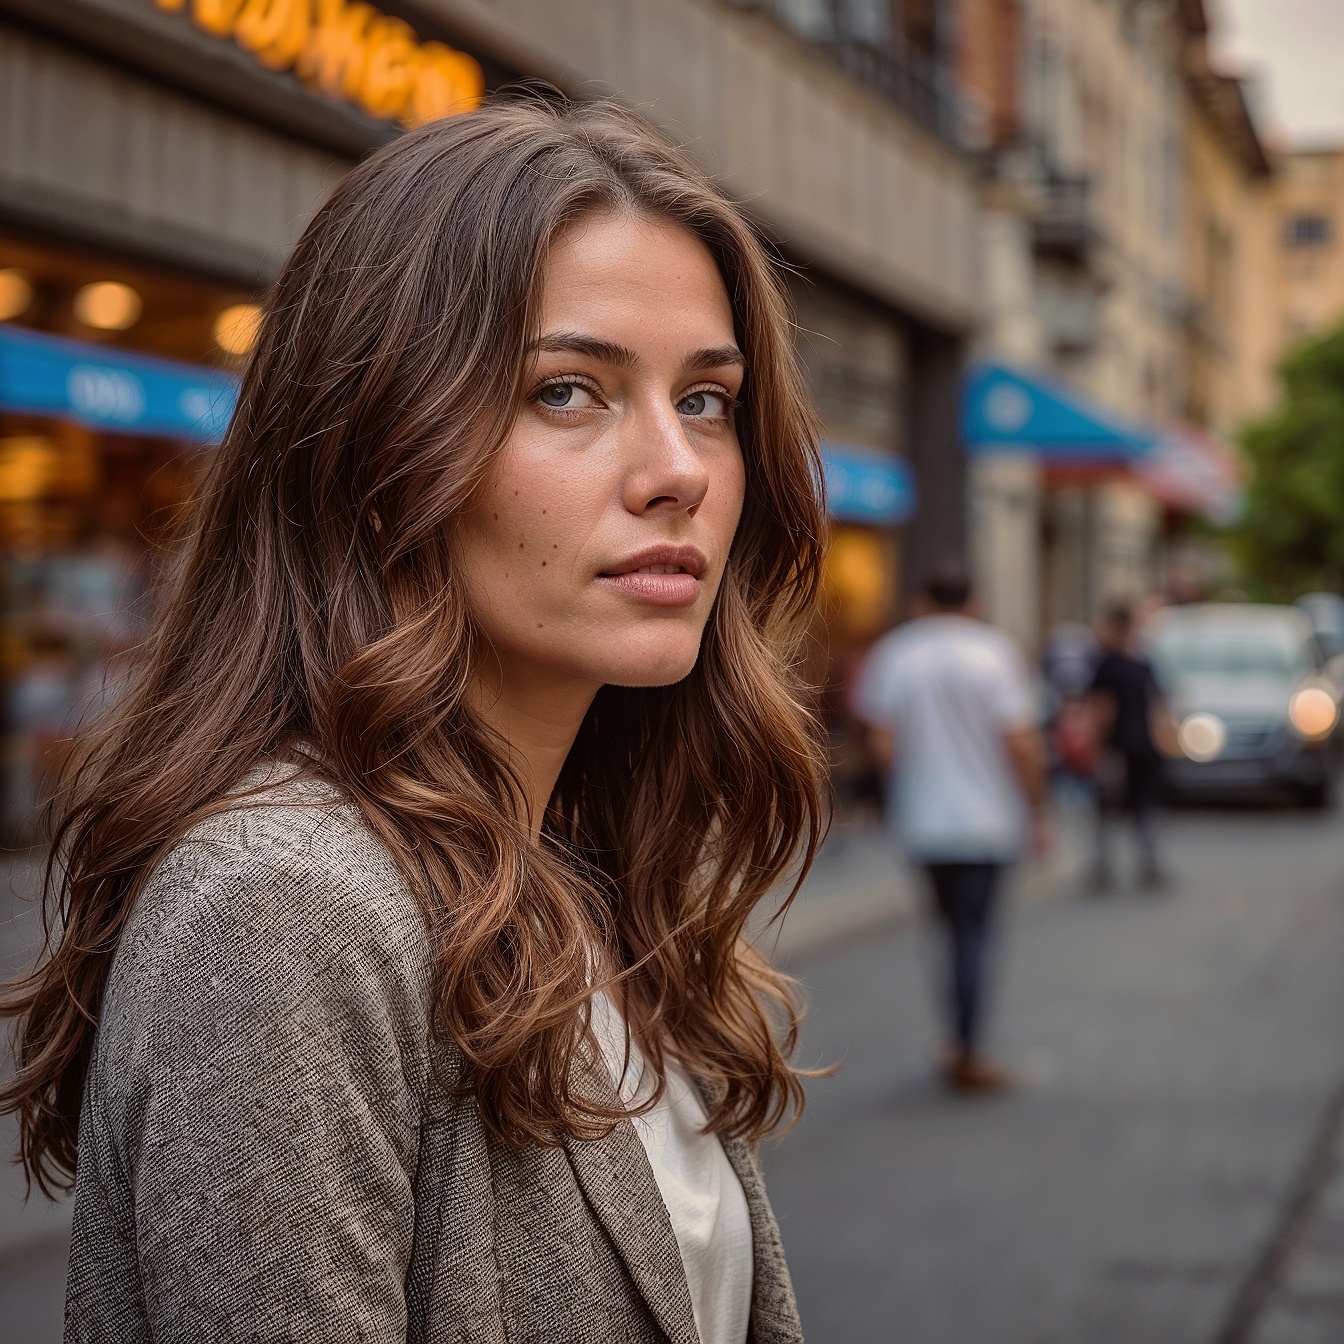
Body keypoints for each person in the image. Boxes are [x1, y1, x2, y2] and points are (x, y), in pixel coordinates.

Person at [0, 97, 830, 1343]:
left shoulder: (584, 868)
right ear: (378, 452)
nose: (682, 470)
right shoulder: (286, 904)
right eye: (568, 391)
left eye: (706, 400)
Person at [854, 561, 1046, 1093]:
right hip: (988, 820)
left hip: (925, 821)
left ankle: (958, 1040)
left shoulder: (897, 652)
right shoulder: (995, 652)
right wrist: (1038, 811)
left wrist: (903, 788)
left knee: (946, 930)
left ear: (921, 601)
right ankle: (968, 1047)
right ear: (974, 602)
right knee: (975, 932)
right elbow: (1021, 742)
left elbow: (881, 739)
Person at [1087, 599, 1171, 891]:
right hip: (1145, 746)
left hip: (1116, 748)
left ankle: (1103, 870)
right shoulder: (1143, 662)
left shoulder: (1106, 664)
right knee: (1144, 808)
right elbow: (1160, 705)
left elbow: (1102, 709)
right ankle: (1149, 868)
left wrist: (1096, 745)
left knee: (1106, 810)